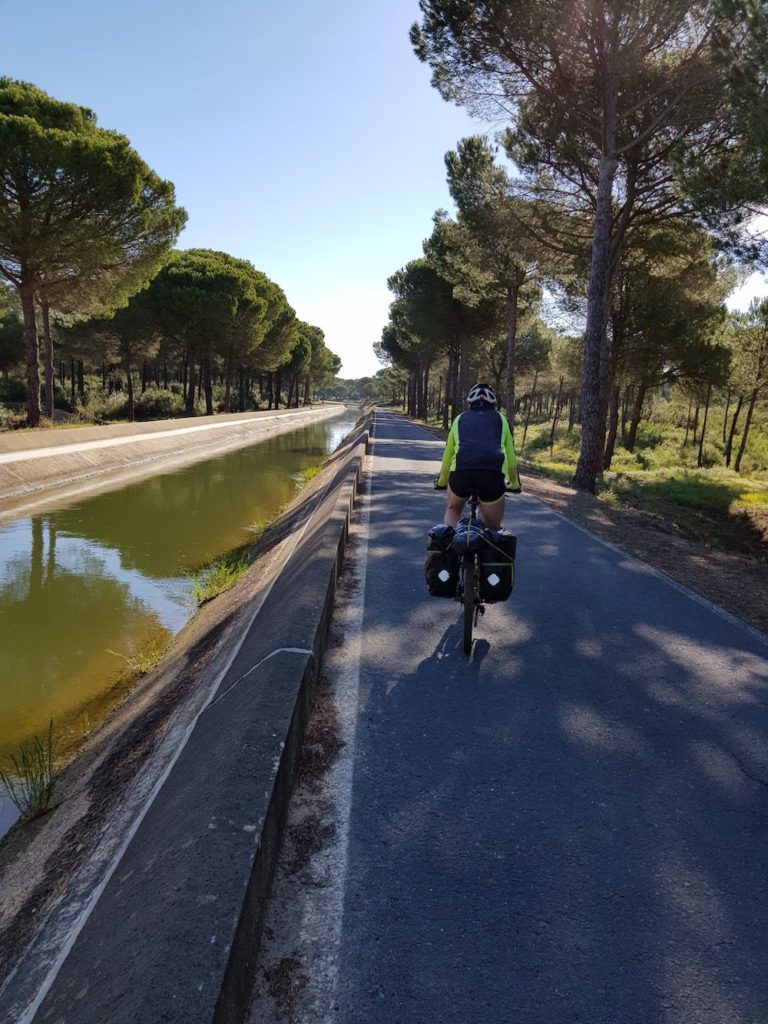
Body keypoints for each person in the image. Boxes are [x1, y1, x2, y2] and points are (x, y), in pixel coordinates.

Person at [435, 383, 521, 530]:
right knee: (492, 528)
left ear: (470, 402)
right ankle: (487, 546)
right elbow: (511, 458)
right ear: (493, 403)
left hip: (461, 474)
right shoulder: (501, 419)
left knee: (453, 509)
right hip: (492, 476)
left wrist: (442, 482)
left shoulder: (459, 419)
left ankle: (449, 545)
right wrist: (514, 484)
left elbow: (448, 456)